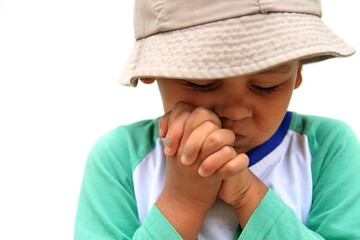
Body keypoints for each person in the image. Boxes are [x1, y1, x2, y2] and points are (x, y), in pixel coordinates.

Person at [74, 0, 360, 239]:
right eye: (202, 83)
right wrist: (182, 201)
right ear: (151, 69)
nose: (236, 112)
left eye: (267, 84)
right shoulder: (120, 159)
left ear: (298, 72)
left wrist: (249, 195)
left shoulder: (328, 150)